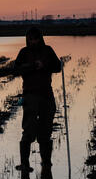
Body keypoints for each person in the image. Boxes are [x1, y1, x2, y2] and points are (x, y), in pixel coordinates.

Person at [12, 26, 62, 171]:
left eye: (36, 38)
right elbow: (16, 69)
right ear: (27, 40)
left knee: (46, 132)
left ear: (40, 38)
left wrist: (44, 65)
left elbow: (58, 66)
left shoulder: (48, 50)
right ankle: (24, 164)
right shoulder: (24, 52)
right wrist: (30, 66)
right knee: (28, 130)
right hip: (30, 96)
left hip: (47, 95)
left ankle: (46, 163)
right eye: (30, 39)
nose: (33, 41)